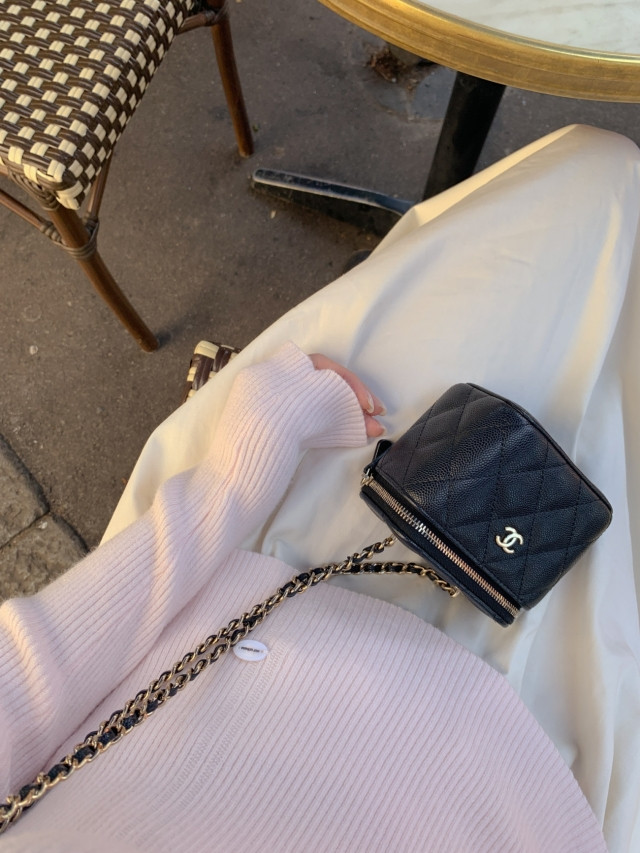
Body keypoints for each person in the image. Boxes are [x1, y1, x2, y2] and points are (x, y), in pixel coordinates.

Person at [2, 125, 640, 851]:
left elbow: (26, 681)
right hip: (553, 762)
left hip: (260, 602)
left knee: (594, 183)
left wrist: (236, 474)